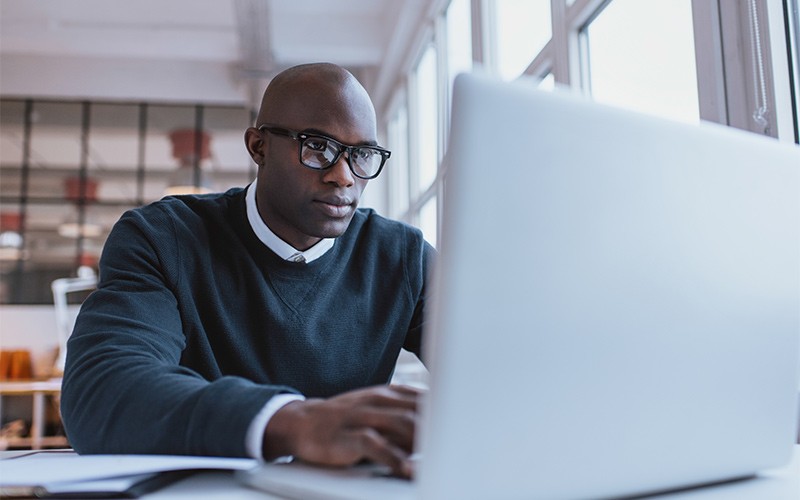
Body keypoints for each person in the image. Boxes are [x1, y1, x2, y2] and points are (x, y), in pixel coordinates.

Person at [61, 63, 434, 478]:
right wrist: (293, 423)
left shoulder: (404, 258)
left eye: (361, 154)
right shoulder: (163, 239)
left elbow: (499, 372)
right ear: (258, 147)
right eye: (318, 147)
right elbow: (100, 392)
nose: (343, 177)